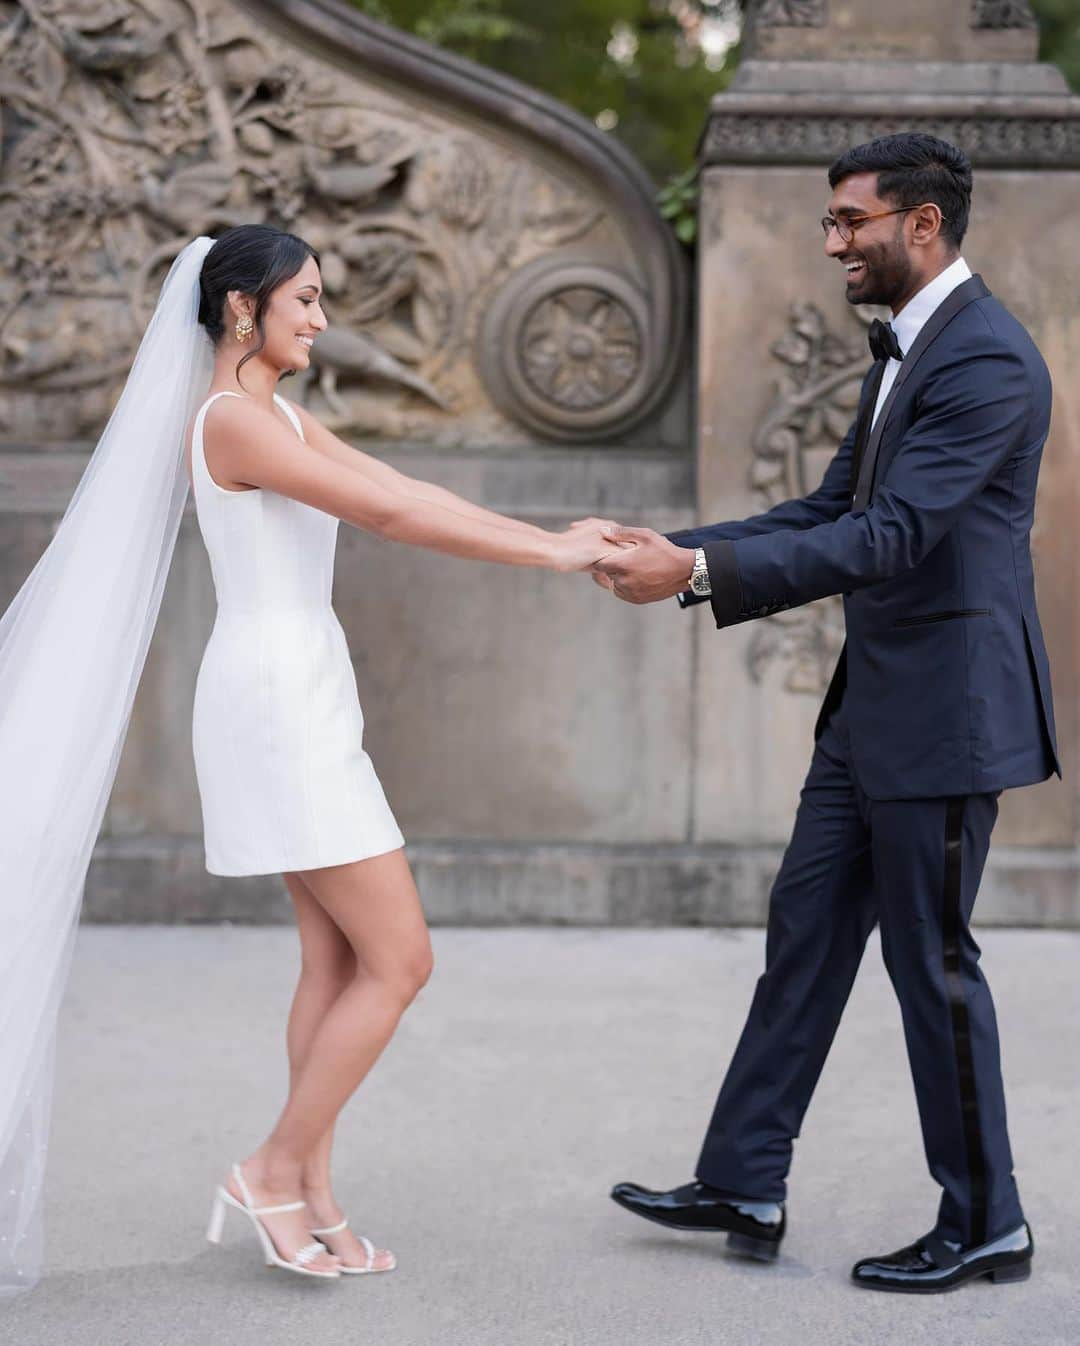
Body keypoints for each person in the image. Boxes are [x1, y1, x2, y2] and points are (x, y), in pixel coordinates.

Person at [0, 225, 617, 1293]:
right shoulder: (232, 423)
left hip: (302, 691)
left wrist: (556, 533)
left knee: (336, 962)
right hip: (275, 705)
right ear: (244, 308)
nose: (323, 321)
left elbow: (404, 484)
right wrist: (554, 554)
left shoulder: (277, 412)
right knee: (402, 957)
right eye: (308, 301)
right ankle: (270, 1165)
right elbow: (385, 512)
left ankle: (312, 1192)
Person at [592, 133, 1058, 1294]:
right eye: (831, 220)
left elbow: (892, 538)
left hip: (947, 719)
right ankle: (744, 1174)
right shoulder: (907, 348)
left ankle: (988, 1217)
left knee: (930, 965)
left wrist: (697, 581)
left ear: (923, 226)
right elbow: (824, 504)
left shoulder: (989, 360)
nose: (834, 240)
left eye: (852, 220)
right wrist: (678, 548)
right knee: (804, 937)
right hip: (872, 714)